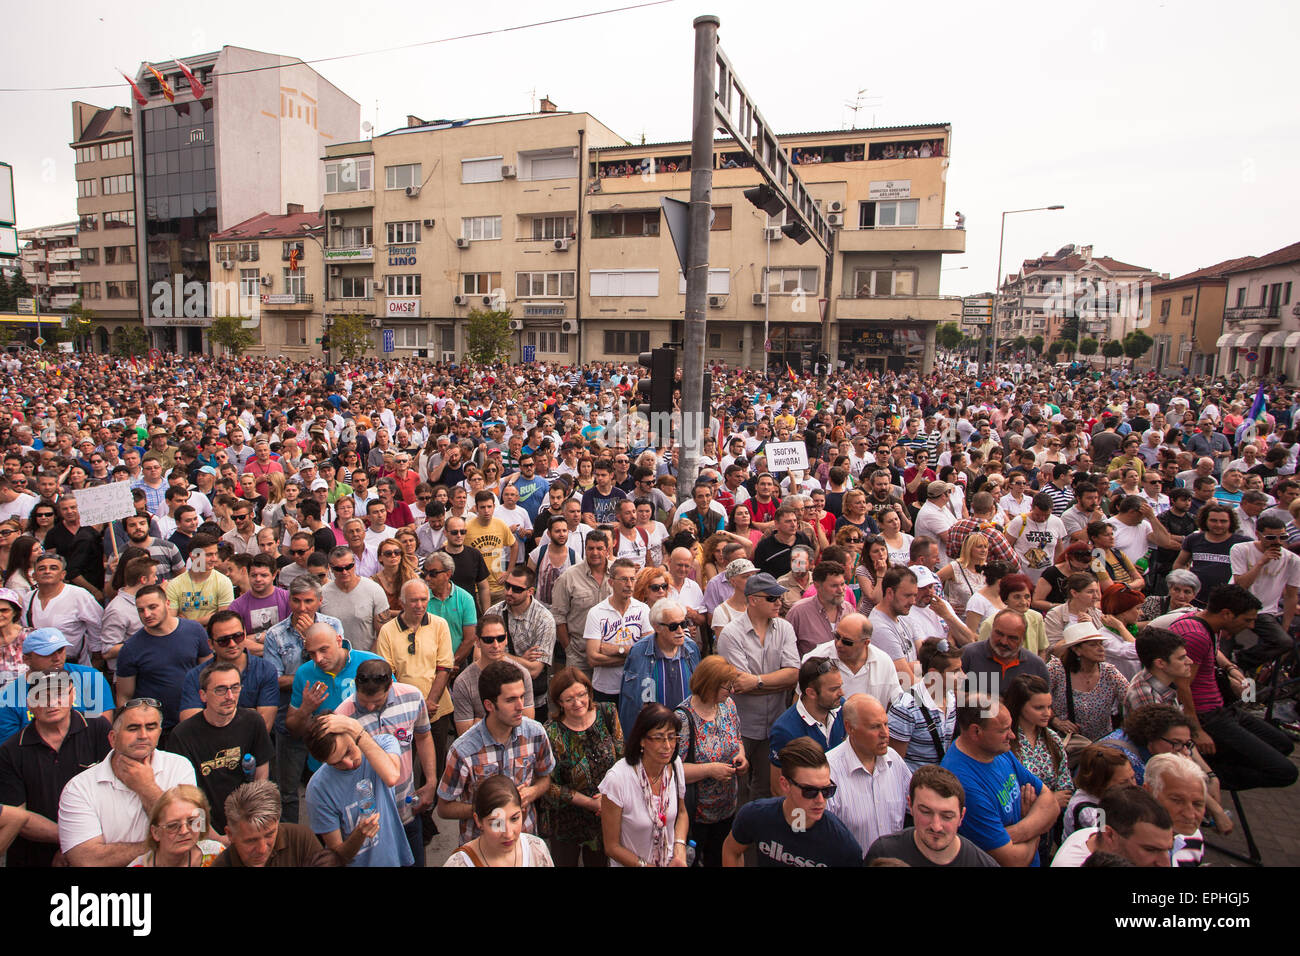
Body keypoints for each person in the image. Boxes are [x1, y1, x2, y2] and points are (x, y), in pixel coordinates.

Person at [1167, 585, 1298, 791]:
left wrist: (1231, 669)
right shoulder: (1196, 635)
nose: (1252, 626)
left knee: (1283, 744)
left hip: (1223, 709)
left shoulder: (1203, 623)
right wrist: (1197, 731)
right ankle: (1195, 777)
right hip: (1208, 717)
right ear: (1226, 614)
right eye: (1247, 620)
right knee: (1284, 772)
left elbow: (1214, 652)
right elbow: (1183, 688)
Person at [57, 698, 198, 867]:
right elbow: (86, 859)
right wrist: (162, 846)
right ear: (113, 738)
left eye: (151, 727)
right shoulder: (79, 788)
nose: (143, 735)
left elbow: (190, 834)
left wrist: (147, 788)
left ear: (160, 733)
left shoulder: (180, 766)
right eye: (133, 728)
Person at [0, 671, 112, 867]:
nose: (51, 702)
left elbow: (117, 793)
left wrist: (81, 846)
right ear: (29, 704)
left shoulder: (99, 729)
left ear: (73, 695)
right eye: (41, 695)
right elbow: (18, 817)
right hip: (34, 856)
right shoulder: (10, 751)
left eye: (59, 693)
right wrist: (74, 843)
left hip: (100, 847)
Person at [437, 660, 555, 841]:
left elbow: (545, 777)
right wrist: (487, 809)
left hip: (524, 839)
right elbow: (444, 808)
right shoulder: (463, 750)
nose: (520, 706)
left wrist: (533, 792)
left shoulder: (535, 733)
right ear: (489, 705)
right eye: (510, 700)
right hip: (481, 846)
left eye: (522, 697)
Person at [939, 692, 1059, 867]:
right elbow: (1014, 861)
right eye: (1003, 730)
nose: (1012, 736)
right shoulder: (964, 784)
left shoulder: (997, 751)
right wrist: (1037, 827)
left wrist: (1018, 829)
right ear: (976, 731)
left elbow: (1051, 803)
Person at [260, 576, 345, 823]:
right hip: (292, 718)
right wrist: (305, 675)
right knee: (287, 790)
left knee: (334, 779)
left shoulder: (333, 626)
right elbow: (274, 680)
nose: (303, 607)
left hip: (329, 717)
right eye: (296, 601)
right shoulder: (275, 635)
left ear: (319, 601)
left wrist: (312, 636)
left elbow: (335, 666)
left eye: (309, 601)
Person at [717, 572, 800, 806]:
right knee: (737, 792)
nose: (779, 602)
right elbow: (741, 684)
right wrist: (776, 681)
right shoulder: (731, 634)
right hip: (740, 727)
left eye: (779, 597)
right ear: (753, 600)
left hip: (775, 724)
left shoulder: (785, 628)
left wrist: (758, 681)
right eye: (772, 598)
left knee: (767, 790)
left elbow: (793, 674)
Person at [167, 659, 274, 835]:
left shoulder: (253, 722)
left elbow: (262, 778)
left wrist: (252, 825)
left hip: (245, 823)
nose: (230, 696)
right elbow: (184, 798)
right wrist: (213, 838)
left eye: (235, 688)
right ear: (203, 695)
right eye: (220, 690)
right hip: (201, 827)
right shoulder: (182, 735)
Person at [722, 737, 863, 867]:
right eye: (810, 791)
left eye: (827, 791)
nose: (820, 800)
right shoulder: (755, 815)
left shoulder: (842, 843)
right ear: (785, 785)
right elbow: (731, 850)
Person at [303, 712, 413, 867]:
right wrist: (359, 835)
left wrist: (357, 729)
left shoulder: (382, 744)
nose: (349, 764)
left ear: (351, 732)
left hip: (393, 859)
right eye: (337, 763)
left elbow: (391, 777)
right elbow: (337, 857)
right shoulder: (318, 789)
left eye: (348, 751)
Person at [541, 667, 623, 868]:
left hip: (605, 813)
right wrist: (590, 803)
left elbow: (622, 759)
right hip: (566, 820)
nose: (577, 703)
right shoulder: (550, 732)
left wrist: (607, 799)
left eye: (581, 695)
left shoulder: (608, 713)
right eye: (569, 699)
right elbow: (549, 786)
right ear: (559, 702)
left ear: (589, 692)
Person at [373, 579, 455, 771]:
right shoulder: (388, 631)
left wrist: (431, 701)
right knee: (403, 763)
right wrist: (411, 705)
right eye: (413, 600)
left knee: (436, 762)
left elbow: (444, 667)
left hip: (437, 708)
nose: (419, 605)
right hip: (401, 710)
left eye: (423, 599)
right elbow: (388, 673)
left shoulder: (440, 625)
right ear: (402, 602)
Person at [675, 654, 747, 868]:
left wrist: (740, 756)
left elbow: (738, 739)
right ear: (709, 686)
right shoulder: (682, 718)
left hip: (726, 809)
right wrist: (709, 770)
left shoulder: (728, 707)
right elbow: (674, 770)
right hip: (697, 814)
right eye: (726, 687)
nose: (731, 692)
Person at [597, 702, 689, 867]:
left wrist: (680, 848)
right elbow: (611, 847)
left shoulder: (675, 765)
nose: (667, 746)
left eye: (672, 737)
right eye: (659, 738)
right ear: (642, 741)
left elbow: (682, 813)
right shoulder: (617, 779)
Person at [116, 585, 213, 737]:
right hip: (156, 729)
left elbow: (210, 674)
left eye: (152, 607)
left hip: (196, 721)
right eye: (141, 610)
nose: (147, 614)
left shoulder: (194, 630)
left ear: (167, 604)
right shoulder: (130, 648)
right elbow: (124, 696)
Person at [826, 693, 912, 856]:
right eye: (875, 727)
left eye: (886, 724)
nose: (885, 734)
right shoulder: (829, 771)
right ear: (849, 728)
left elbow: (916, 808)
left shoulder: (895, 761)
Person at [864, 764, 999, 866]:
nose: (936, 826)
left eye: (947, 816)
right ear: (910, 805)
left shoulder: (982, 863)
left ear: (961, 816)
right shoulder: (883, 853)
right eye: (926, 812)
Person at [617, 598, 700, 736]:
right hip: (653, 735)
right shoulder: (639, 652)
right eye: (673, 626)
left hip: (687, 733)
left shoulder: (691, 649)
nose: (680, 630)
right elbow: (630, 703)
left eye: (683, 624)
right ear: (657, 627)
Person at [212, 779, 341, 867]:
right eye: (251, 841)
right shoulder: (221, 864)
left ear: (278, 822)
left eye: (269, 835)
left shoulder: (301, 839)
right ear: (230, 834)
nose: (262, 849)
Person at [1228, 514, 1300, 670]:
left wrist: (1285, 627)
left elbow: (1291, 595)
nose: (1278, 542)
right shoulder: (1241, 549)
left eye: (1283, 537)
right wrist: (1261, 563)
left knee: (1284, 642)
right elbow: (1241, 585)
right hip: (1235, 606)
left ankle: (1241, 663)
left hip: (1263, 611)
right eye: (1271, 537)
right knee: (1221, 647)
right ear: (1257, 534)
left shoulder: (1292, 560)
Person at [486, 564, 556, 721]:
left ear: (530, 591)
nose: (509, 592)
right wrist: (523, 660)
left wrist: (499, 655)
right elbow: (481, 657)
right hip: (497, 699)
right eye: (507, 586)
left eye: (517, 589)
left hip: (531, 702)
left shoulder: (544, 620)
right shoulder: (493, 613)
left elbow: (534, 671)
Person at [443, 774, 555, 867]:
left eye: (514, 818)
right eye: (497, 823)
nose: (508, 833)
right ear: (478, 821)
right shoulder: (459, 864)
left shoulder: (537, 851)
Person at [1050, 785, 1174, 867]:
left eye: (1168, 850)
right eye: (1150, 850)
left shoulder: (1095, 833)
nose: (1166, 864)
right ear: (1109, 835)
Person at [583, 557, 652, 704]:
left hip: (637, 685)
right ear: (611, 582)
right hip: (605, 689)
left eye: (632, 579)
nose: (629, 584)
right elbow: (593, 658)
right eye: (624, 579)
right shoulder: (596, 612)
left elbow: (648, 651)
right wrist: (633, 656)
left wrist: (617, 650)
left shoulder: (643, 610)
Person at [451, 612, 536, 731]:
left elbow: (527, 724)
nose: (496, 645)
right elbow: (464, 733)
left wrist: (480, 722)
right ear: (477, 641)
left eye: (500, 638)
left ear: (506, 639)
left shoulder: (522, 674)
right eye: (488, 640)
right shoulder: (463, 682)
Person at [886, 637, 962, 769]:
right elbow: (894, 765)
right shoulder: (904, 709)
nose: (963, 676)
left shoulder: (951, 697)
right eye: (955, 671)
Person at [1005, 673, 1074, 812]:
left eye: (1049, 707)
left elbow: (1065, 788)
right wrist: (1051, 800)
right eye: (1038, 708)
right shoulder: (1005, 740)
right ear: (1019, 706)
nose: (1047, 713)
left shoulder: (1053, 738)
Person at [22, 552, 102, 666]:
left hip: (73, 665)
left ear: (63, 574)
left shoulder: (79, 595)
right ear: (34, 576)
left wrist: (97, 657)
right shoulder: (28, 598)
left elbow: (97, 626)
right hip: (39, 667)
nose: (47, 571)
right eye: (42, 568)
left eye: (53, 568)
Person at [551, 529, 612, 676]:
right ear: (585, 549)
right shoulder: (568, 578)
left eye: (599, 548)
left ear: (607, 550)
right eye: (590, 548)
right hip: (579, 655)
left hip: (611, 654)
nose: (595, 553)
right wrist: (569, 649)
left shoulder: (618, 574)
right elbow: (559, 617)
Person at [127, 784, 225, 867]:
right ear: (155, 832)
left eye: (192, 822)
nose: (184, 831)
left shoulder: (216, 854)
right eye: (173, 826)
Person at [1144, 752, 1210, 866]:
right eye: (1177, 801)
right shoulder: (1127, 844)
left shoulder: (1193, 837)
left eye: (1197, 804)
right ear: (1148, 792)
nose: (1189, 815)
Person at [1063, 743, 1138, 836]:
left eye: (1133, 777)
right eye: (1123, 783)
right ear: (1100, 784)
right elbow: (1109, 839)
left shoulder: (1114, 796)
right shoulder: (1090, 811)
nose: (1133, 785)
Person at [786, 561, 854, 656]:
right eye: (834, 586)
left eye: (842, 584)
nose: (840, 590)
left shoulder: (848, 609)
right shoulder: (798, 612)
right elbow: (787, 652)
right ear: (817, 585)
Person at [1126, 626, 1191, 711]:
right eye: (1181, 658)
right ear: (1160, 663)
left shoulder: (1160, 682)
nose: (1190, 661)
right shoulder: (1148, 698)